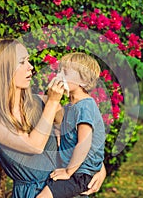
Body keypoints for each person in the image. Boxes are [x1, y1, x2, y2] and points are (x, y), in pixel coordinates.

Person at [0, 38, 106, 198]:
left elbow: (77, 136)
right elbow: (33, 146)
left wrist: (96, 167)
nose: (31, 67)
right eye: (22, 62)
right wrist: (53, 101)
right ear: (4, 69)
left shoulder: (42, 102)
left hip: (63, 188)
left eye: (28, 60)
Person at [36, 52, 106, 198]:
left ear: (84, 82)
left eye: (65, 72)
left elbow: (84, 143)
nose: (59, 75)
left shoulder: (85, 107)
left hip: (80, 173)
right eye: (59, 70)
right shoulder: (70, 106)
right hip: (74, 170)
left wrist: (68, 171)